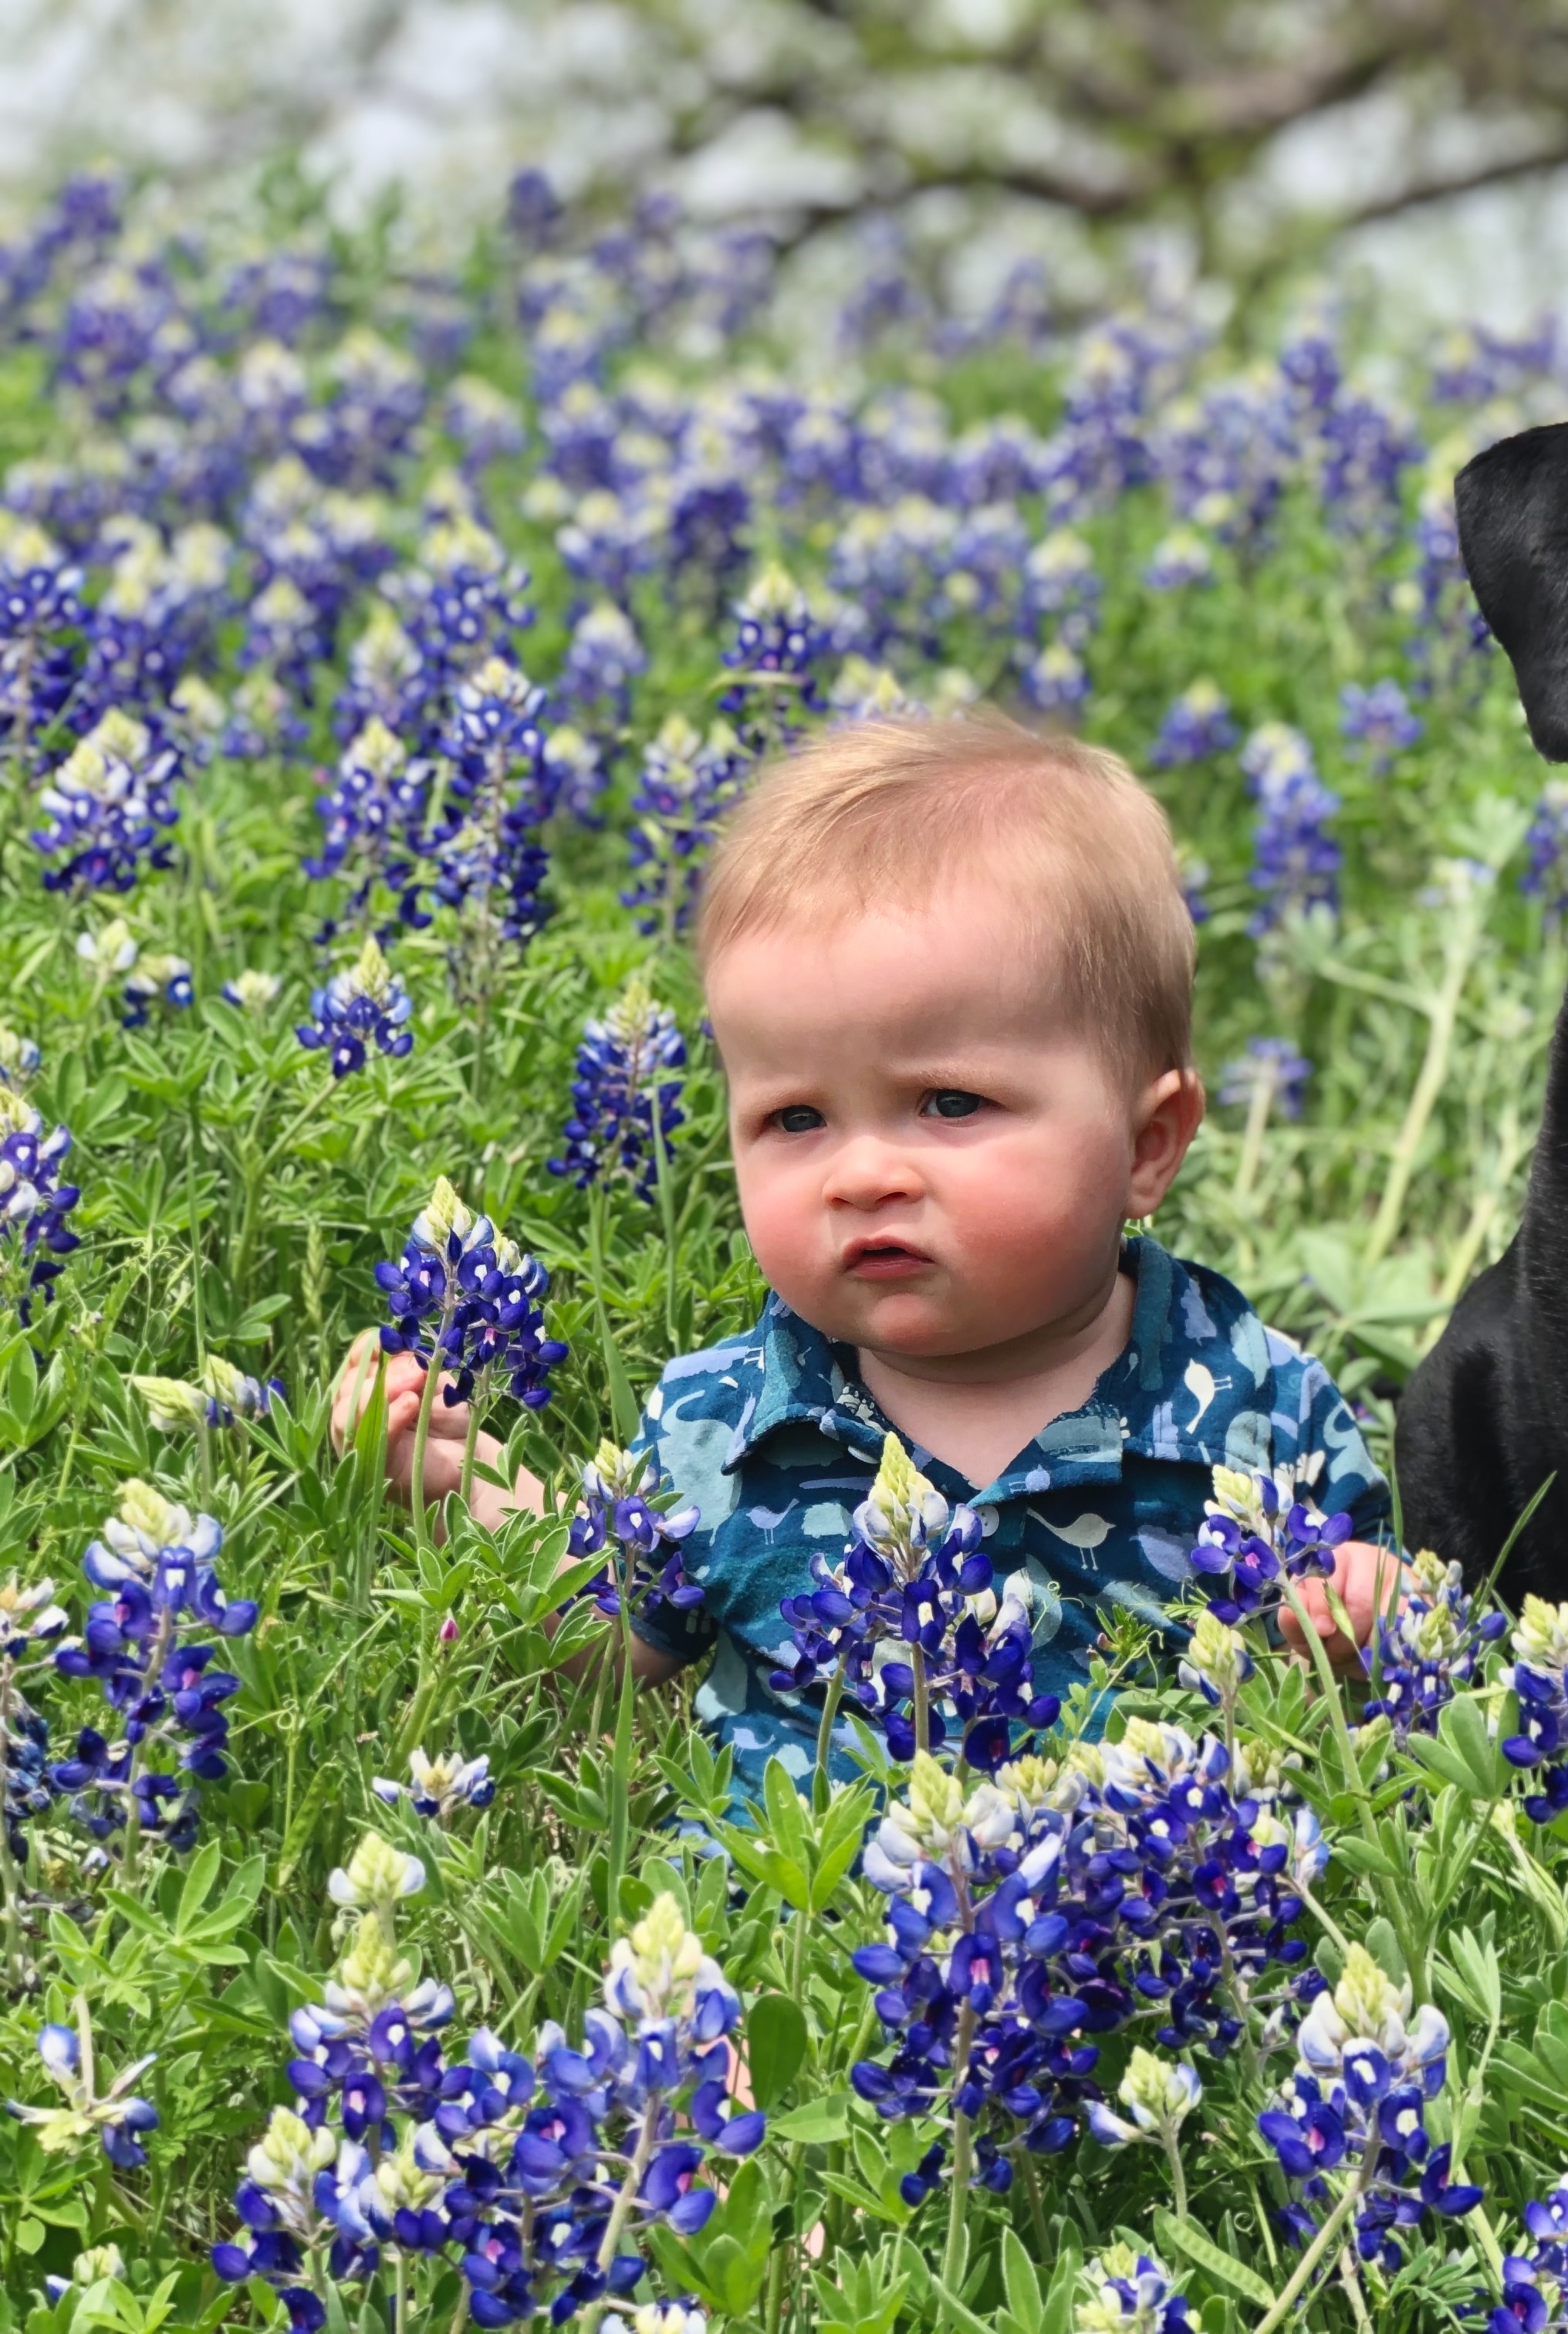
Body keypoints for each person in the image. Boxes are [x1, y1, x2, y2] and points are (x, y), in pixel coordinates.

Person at [329, 710, 1398, 1801]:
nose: (863, 1174)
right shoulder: (728, 1423)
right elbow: (608, 1643)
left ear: (1147, 1147)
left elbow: (1372, 1664)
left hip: (1132, 1913)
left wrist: (1364, 1621)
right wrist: (465, 1484)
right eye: (798, 1119)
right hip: (793, 1918)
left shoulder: (1256, 1398)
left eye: (949, 1102)